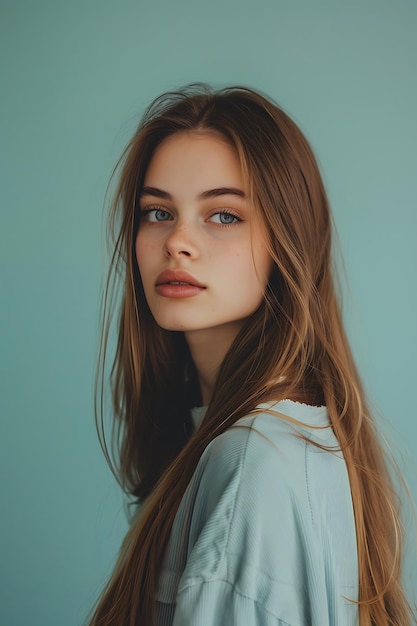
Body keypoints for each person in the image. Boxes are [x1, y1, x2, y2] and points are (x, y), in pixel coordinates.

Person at [89, 85, 414, 625]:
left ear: (287, 240)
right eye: (157, 211)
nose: (177, 242)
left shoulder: (251, 463)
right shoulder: (275, 442)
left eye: (223, 215)